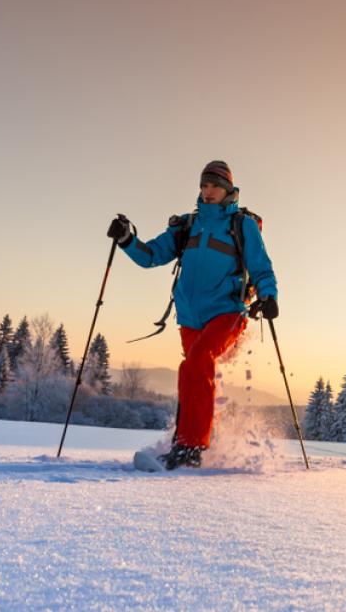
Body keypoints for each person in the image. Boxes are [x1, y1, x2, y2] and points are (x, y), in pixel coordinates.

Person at [107, 160, 278, 469]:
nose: (207, 191)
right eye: (203, 185)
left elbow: (261, 266)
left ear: (227, 189)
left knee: (198, 361)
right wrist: (126, 240)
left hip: (228, 312)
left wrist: (268, 296)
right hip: (189, 316)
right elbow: (151, 256)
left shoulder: (242, 225)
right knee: (191, 371)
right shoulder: (187, 225)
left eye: (213, 185)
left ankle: (191, 448)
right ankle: (186, 441)